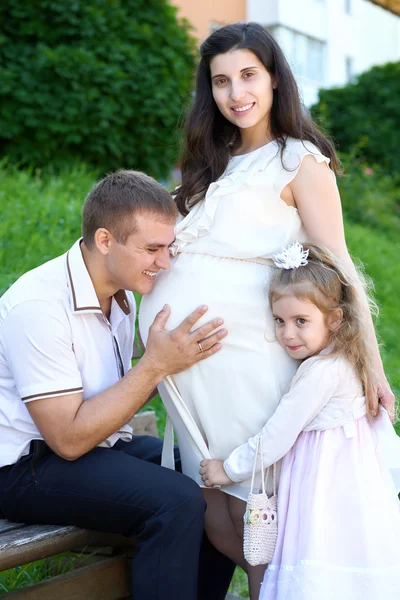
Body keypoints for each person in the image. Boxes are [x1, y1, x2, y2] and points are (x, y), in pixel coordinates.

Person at [138, 21, 395, 594]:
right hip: (190, 378)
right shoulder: (210, 163)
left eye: (248, 75)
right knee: (213, 514)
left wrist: (371, 366)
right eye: (221, 81)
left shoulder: (300, 161)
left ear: (276, 78)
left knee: (260, 522)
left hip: (251, 365)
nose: (236, 94)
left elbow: (341, 265)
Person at [0, 169, 234, 600]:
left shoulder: (121, 295)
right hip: (25, 467)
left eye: (169, 248)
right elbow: (68, 439)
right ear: (105, 240)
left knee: (210, 472)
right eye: (152, 249)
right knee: (177, 500)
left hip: (97, 444)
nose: (164, 263)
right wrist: (155, 366)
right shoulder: (38, 306)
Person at [200, 242, 400, 600]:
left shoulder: (321, 373)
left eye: (300, 322)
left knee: (316, 558)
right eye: (279, 321)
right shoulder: (345, 360)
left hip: (322, 487)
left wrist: (227, 470)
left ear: (335, 319)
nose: (287, 333)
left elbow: (276, 436)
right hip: (349, 487)